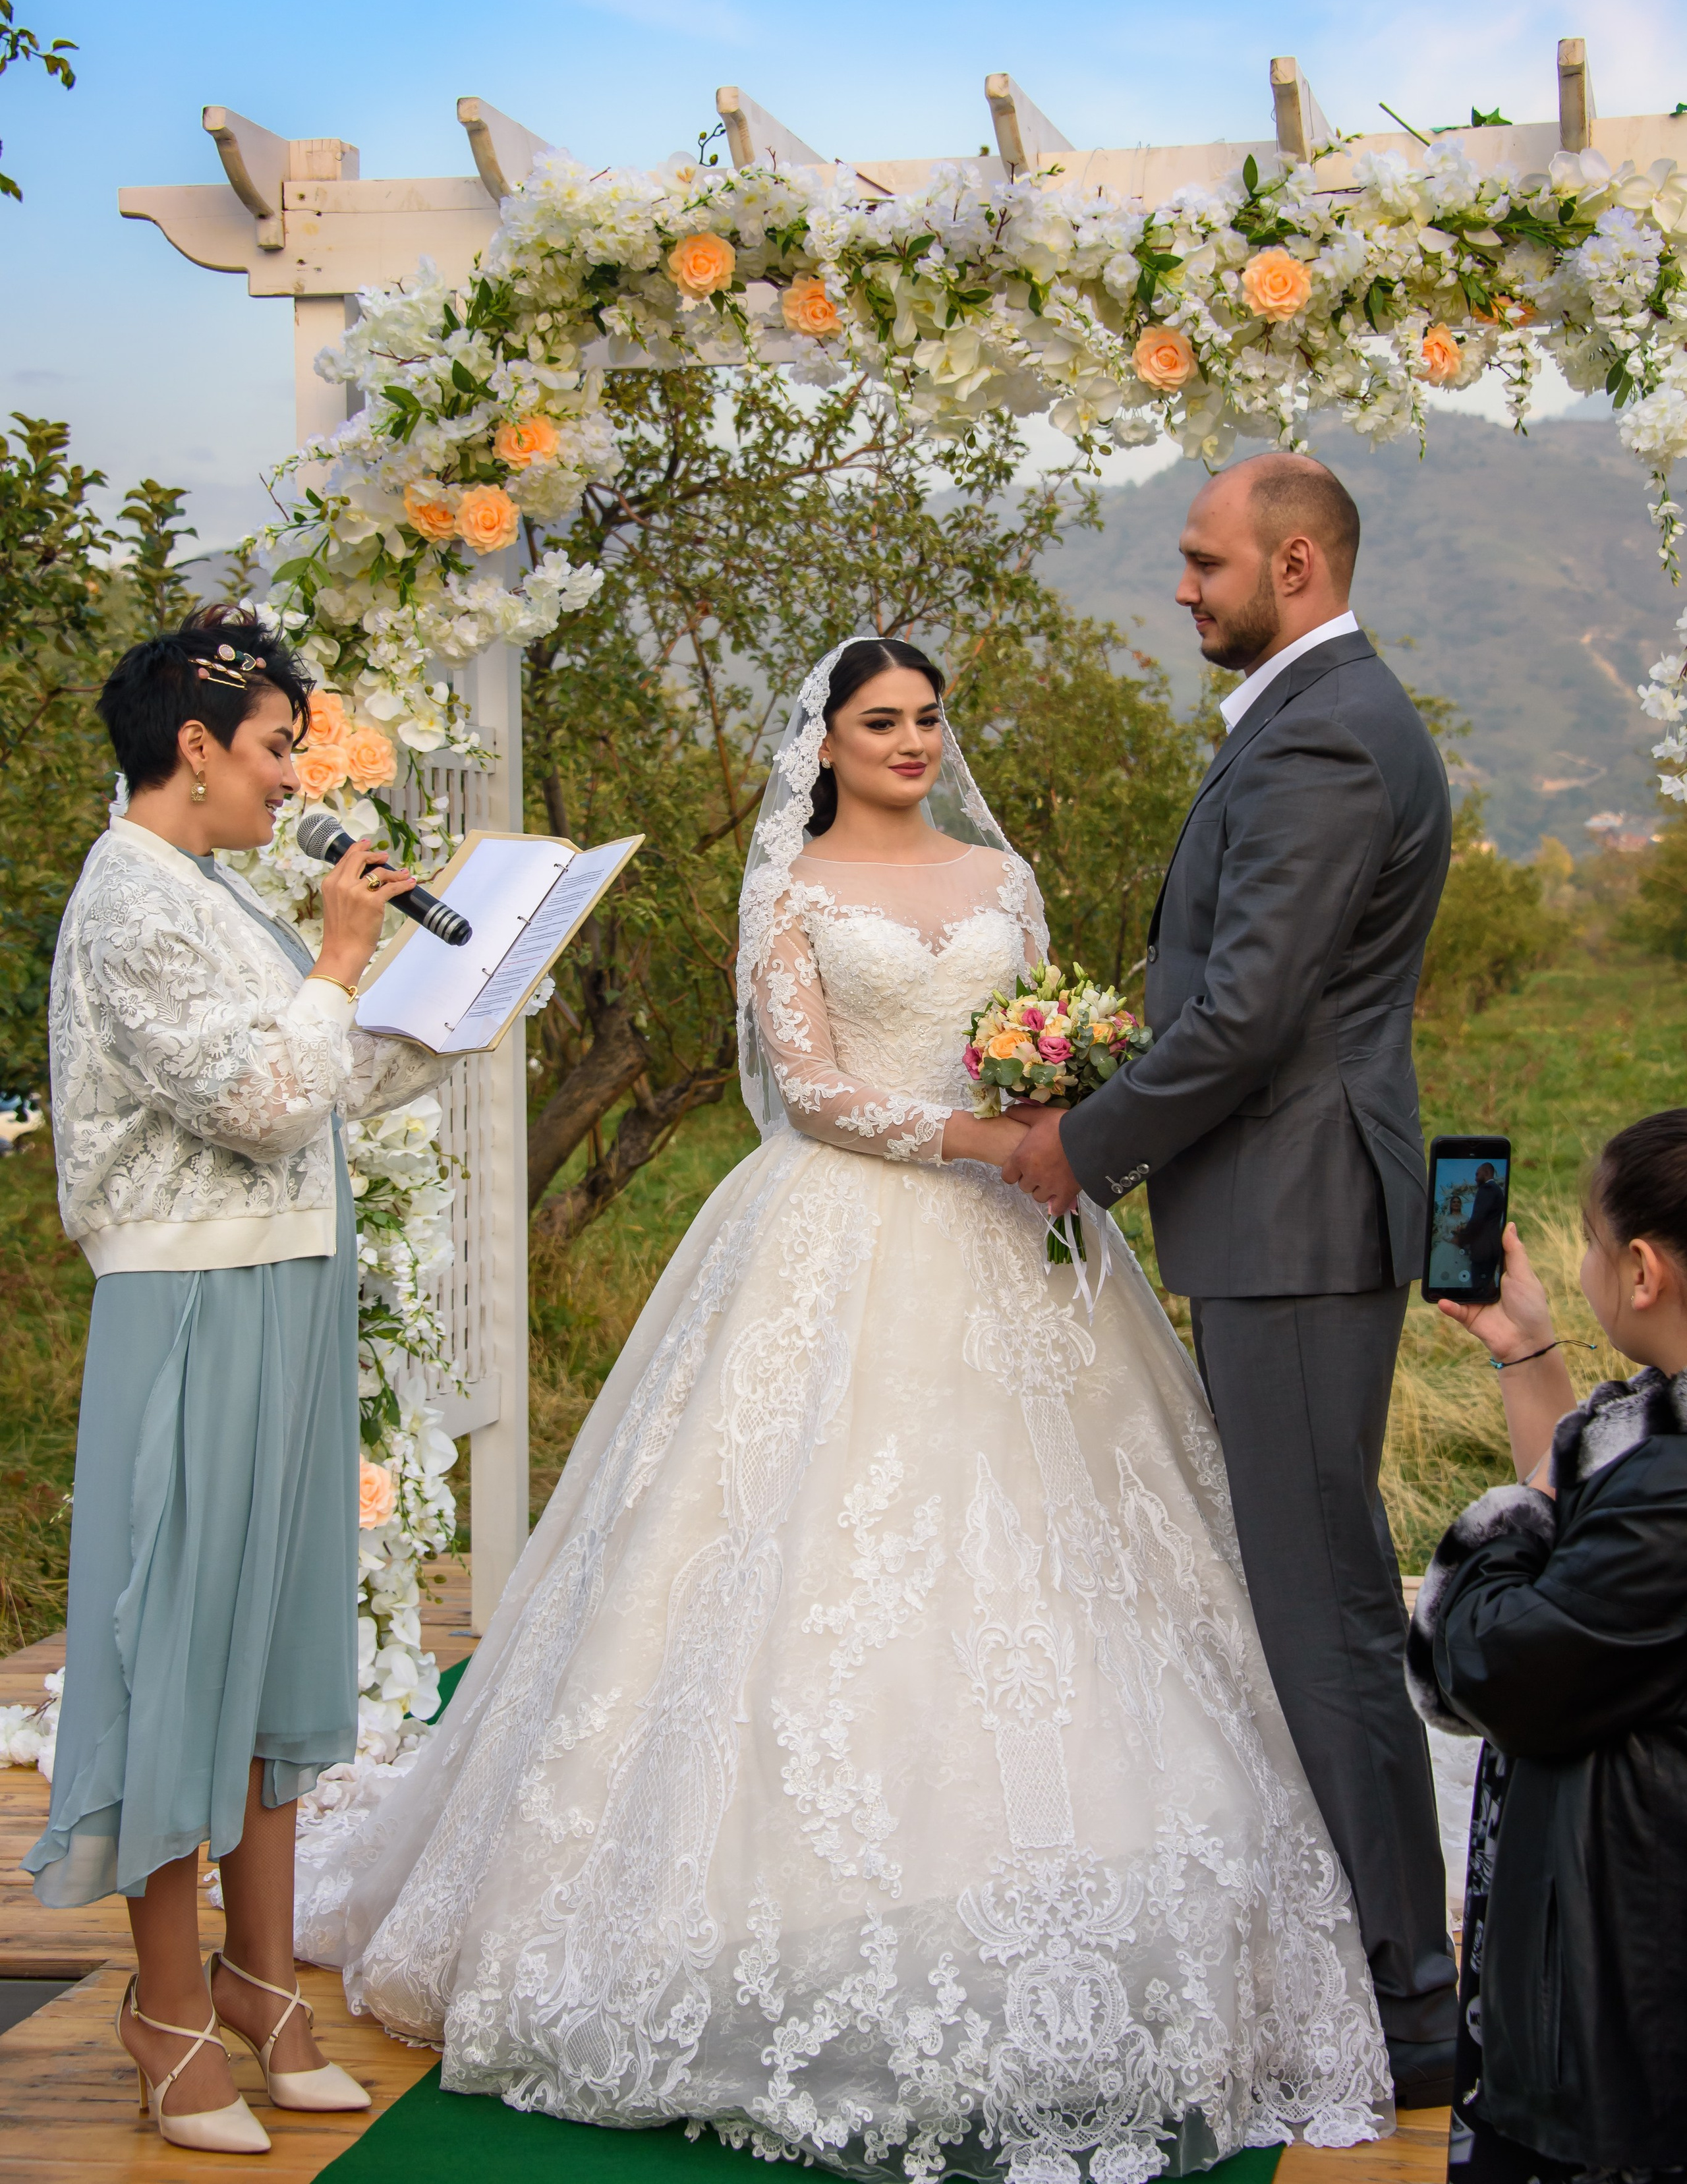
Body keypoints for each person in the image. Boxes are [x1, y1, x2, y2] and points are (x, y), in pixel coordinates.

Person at [294, 635, 1391, 2177]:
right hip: (843, 1223)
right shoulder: (792, 882)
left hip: (1017, 1238)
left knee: (1065, 1561)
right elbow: (807, 1085)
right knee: (792, 1556)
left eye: (928, 718)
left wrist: (1049, 1099)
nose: (911, 742)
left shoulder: (998, 882)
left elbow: (1049, 1029)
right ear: (823, 739)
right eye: (880, 720)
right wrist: (969, 1132)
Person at [1006, 453, 1458, 2104]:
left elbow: (1253, 1007)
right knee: (1310, 1583)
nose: (1180, 587)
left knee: (1320, 1601)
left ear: (1292, 559)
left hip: (1292, 1213)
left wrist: (1086, 1140)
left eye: (1201, 561)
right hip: (1280, 1207)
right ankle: (1377, 1956)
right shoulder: (1311, 711)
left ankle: (1405, 1995)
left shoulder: (1330, 727)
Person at [26, 608, 456, 2154]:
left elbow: (332, 1068)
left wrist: (454, 984)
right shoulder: (126, 899)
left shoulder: (215, 893)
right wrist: (340, 958)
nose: (294, 779)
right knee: (174, 1639)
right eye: (277, 747)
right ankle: (162, 2003)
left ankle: (263, 1977)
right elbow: (266, 1094)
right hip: (192, 1293)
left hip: (286, 1279)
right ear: (193, 746)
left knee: (274, 1627)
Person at [1408, 1111, 1687, 2180]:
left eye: (1588, 1237)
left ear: (1643, 1271)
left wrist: (1511, 1511)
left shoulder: (1669, 1492)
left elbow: (1479, 1662)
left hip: (1626, 2009)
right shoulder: (1655, 1432)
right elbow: (1600, 1549)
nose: (1579, 1263)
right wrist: (1526, 1352)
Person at [1454, 1163, 1504, 1290]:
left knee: (1479, 1288)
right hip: (1492, 1247)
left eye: (1477, 1174)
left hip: (1483, 1249)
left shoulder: (1486, 1189)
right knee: (1488, 1285)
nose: (1476, 1178)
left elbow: (1478, 1219)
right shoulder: (1497, 1190)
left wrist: (1462, 1238)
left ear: (1487, 1173)